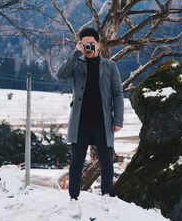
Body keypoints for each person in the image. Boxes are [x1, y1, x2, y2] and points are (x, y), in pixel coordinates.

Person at [56, 27, 124, 219]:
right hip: (81, 122)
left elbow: (118, 93)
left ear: (98, 44)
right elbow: (61, 74)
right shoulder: (76, 63)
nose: (88, 46)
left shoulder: (110, 66)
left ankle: (106, 195)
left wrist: (118, 119)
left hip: (103, 121)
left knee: (106, 161)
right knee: (77, 161)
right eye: (84, 43)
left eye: (91, 43)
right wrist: (75, 53)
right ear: (80, 44)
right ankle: (74, 199)